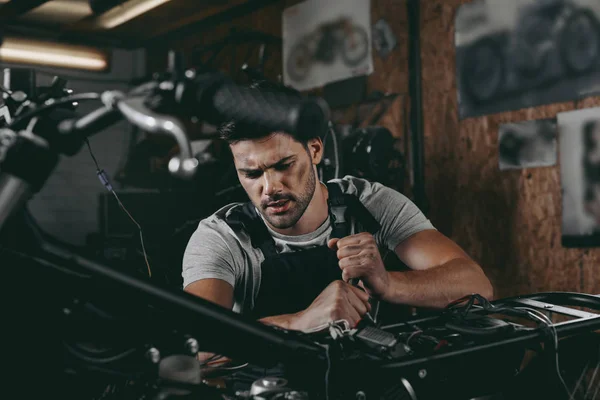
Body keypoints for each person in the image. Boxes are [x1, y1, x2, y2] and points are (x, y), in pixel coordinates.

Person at [182, 109, 493, 332]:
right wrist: (298, 321)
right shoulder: (223, 237)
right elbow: (201, 347)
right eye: (251, 174)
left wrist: (388, 283)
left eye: (284, 165)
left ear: (315, 150)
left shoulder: (369, 204)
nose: (270, 188)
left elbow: (476, 285)